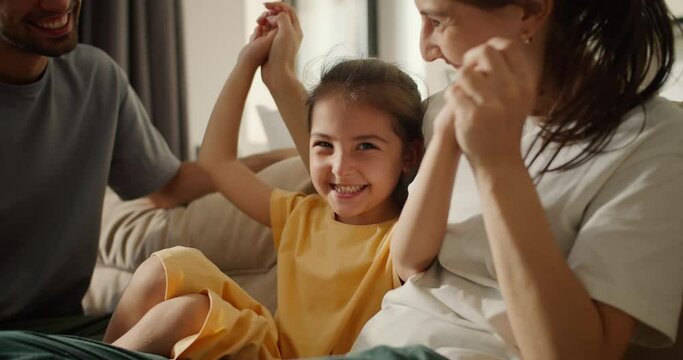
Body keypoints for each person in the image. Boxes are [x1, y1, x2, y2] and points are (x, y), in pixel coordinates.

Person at [1, 0, 682, 359]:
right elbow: (383, 225)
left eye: (437, 18)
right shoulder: (441, 115)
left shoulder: (653, 148)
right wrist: (274, 76)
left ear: (532, 10)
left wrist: (496, 158)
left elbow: (574, 350)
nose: (424, 49)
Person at [96, 4, 424, 359]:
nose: (341, 167)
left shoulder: (402, 238)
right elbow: (216, 162)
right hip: (270, 346)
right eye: (324, 146)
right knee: (167, 266)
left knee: (184, 312)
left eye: (366, 146)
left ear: (409, 155)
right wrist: (248, 64)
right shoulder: (303, 215)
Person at [0, 0, 290, 337]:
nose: (59, 3)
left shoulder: (96, 78)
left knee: (205, 327)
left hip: (64, 330)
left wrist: (289, 156)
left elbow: (170, 187)